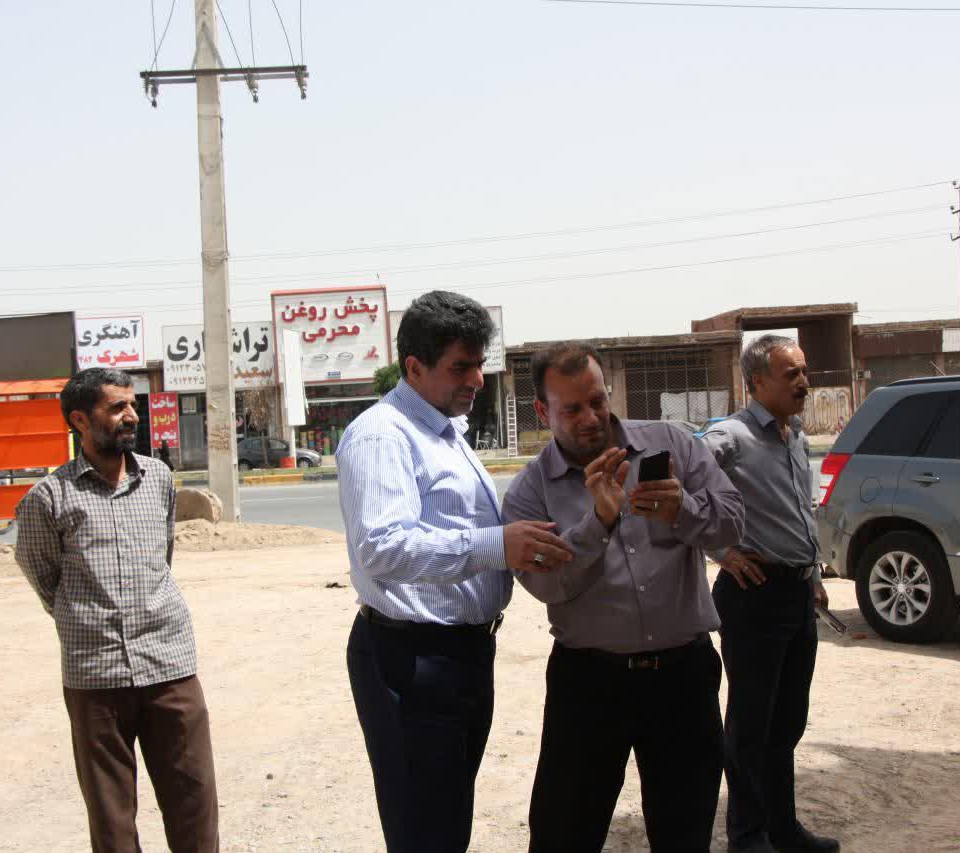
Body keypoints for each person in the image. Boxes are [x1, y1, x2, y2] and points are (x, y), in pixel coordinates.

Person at [337, 290, 574, 853]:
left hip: (461, 656)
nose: (476, 380)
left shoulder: (446, 431)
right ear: (414, 367)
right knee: (426, 830)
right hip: (411, 660)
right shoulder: (382, 435)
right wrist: (496, 546)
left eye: (479, 364)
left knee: (446, 820)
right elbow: (382, 548)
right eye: (460, 367)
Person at [502, 343, 745, 853]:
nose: (591, 418)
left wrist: (683, 509)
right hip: (589, 685)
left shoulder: (671, 445)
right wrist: (598, 522)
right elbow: (546, 585)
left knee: (685, 835)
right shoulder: (530, 492)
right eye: (572, 409)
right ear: (543, 411)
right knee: (564, 834)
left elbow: (732, 521)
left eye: (597, 401)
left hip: (682, 678)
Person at [15, 367, 219, 853]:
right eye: (117, 407)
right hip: (95, 674)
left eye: (132, 405)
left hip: (169, 665)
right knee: (111, 818)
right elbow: (43, 574)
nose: (131, 416)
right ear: (80, 420)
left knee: (194, 801)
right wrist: (85, 617)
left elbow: (163, 557)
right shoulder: (49, 497)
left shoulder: (159, 479)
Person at [701, 335, 839, 853]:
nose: (804, 382)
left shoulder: (794, 434)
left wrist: (814, 578)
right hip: (753, 597)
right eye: (791, 374)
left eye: (804, 371)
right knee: (750, 727)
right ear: (757, 382)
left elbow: (800, 512)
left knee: (786, 725)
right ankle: (747, 836)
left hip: (797, 596)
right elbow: (676, 487)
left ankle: (783, 830)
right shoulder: (730, 437)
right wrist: (720, 551)